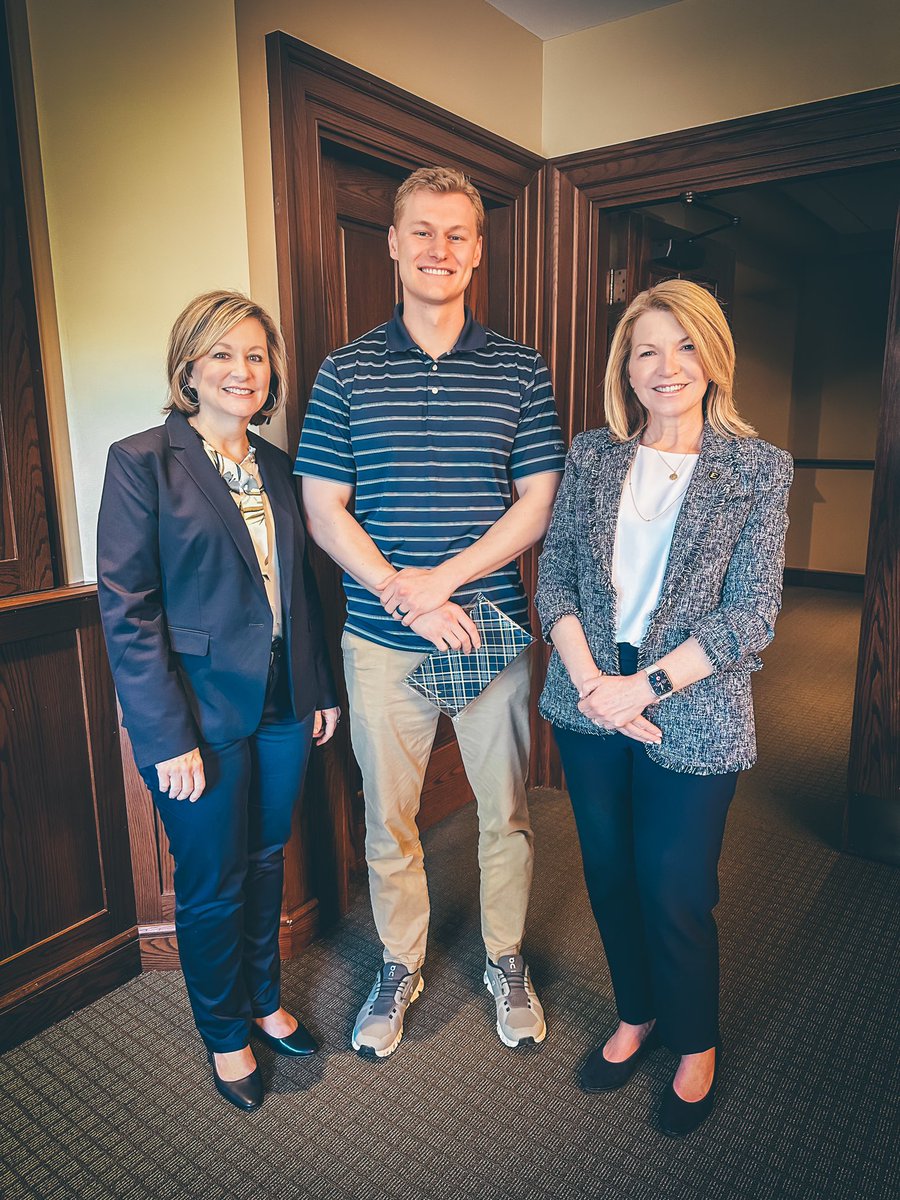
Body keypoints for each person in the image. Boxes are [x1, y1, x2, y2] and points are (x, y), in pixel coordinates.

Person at [296, 166, 565, 1057]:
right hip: (380, 636)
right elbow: (324, 508)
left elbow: (536, 505)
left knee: (505, 813)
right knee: (389, 819)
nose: (438, 249)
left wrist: (440, 580)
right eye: (422, 232)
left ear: (478, 251)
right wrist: (400, 595)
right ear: (394, 244)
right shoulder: (345, 371)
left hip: (489, 631)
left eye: (456, 234)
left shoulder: (523, 370)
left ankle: (504, 957)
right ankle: (400, 962)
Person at [536, 279, 792, 1137]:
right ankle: (637, 1013)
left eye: (685, 346)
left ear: (714, 357)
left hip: (692, 709)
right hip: (588, 703)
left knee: (674, 886)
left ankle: (693, 1039)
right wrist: (591, 687)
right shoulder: (593, 454)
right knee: (609, 875)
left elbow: (750, 613)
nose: (666, 365)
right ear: (625, 366)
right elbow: (558, 578)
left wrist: (639, 690)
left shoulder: (758, 469)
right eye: (647, 348)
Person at [97, 291, 339, 1112]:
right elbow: (128, 610)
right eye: (224, 354)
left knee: (268, 859)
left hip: (281, 706)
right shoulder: (143, 461)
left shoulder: (277, 465)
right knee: (212, 881)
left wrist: (319, 688)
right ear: (189, 367)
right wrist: (166, 738)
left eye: (256, 356)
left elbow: (301, 588)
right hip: (195, 719)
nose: (243, 370)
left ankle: (264, 1002)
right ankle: (225, 1031)